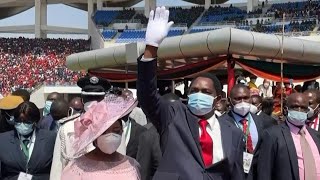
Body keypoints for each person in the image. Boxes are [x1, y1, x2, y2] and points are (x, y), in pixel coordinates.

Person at [137, 7, 245, 180]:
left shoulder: (233, 133)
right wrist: (151, 48)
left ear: (217, 100)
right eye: (194, 91)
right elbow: (147, 96)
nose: (198, 95)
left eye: (205, 92)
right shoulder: (172, 116)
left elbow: (236, 174)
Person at [61, 92, 140, 180]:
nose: (111, 135)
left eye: (116, 131)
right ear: (95, 136)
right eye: (104, 132)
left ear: (122, 132)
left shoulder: (131, 165)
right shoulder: (77, 169)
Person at [50, 76, 111, 180]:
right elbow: (57, 167)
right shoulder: (67, 128)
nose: (93, 103)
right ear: (82, 100)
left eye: (97, 99)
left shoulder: (112, 126)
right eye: (89, 99)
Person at [257, 93, 320, 180]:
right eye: (295, 107)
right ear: (286, 109)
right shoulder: (272, 135)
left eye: (303, 108)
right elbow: (264, 172)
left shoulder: (316, 136)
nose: (299, 110)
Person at [219, 84, 275, 179]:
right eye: (238, 98)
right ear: (229, 101)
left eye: (246, 98)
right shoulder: (221, 123)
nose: (243, 102)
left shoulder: (263, 121)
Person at [0, 101, 56, 180]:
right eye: (18, 121)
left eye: (26, 122)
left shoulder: (50, 139)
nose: (22, 125)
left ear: (35, 122)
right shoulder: (2, 140)